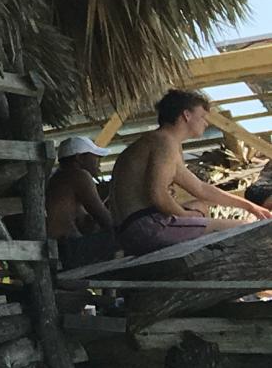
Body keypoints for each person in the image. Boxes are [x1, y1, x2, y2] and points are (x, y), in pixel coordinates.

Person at [105, 88, 272, 254]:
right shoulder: (165, 142)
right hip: (148, 228)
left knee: (200, 207)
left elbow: (200, 188)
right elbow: (158, 194)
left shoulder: (156, 141)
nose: (206, 123)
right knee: (248, 229)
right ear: (186, 115)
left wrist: (250, 207)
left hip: (128, 231)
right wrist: (185, 216)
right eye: (202, 117)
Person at [48, 134, 115, 266]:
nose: (99, 164)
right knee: (125, 237)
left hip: (58, 248)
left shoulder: (57, 178)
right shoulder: (79, 175)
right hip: (66, 248)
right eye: (95, 158)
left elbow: (84, 222)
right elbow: (105, 220)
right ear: (79, 158)